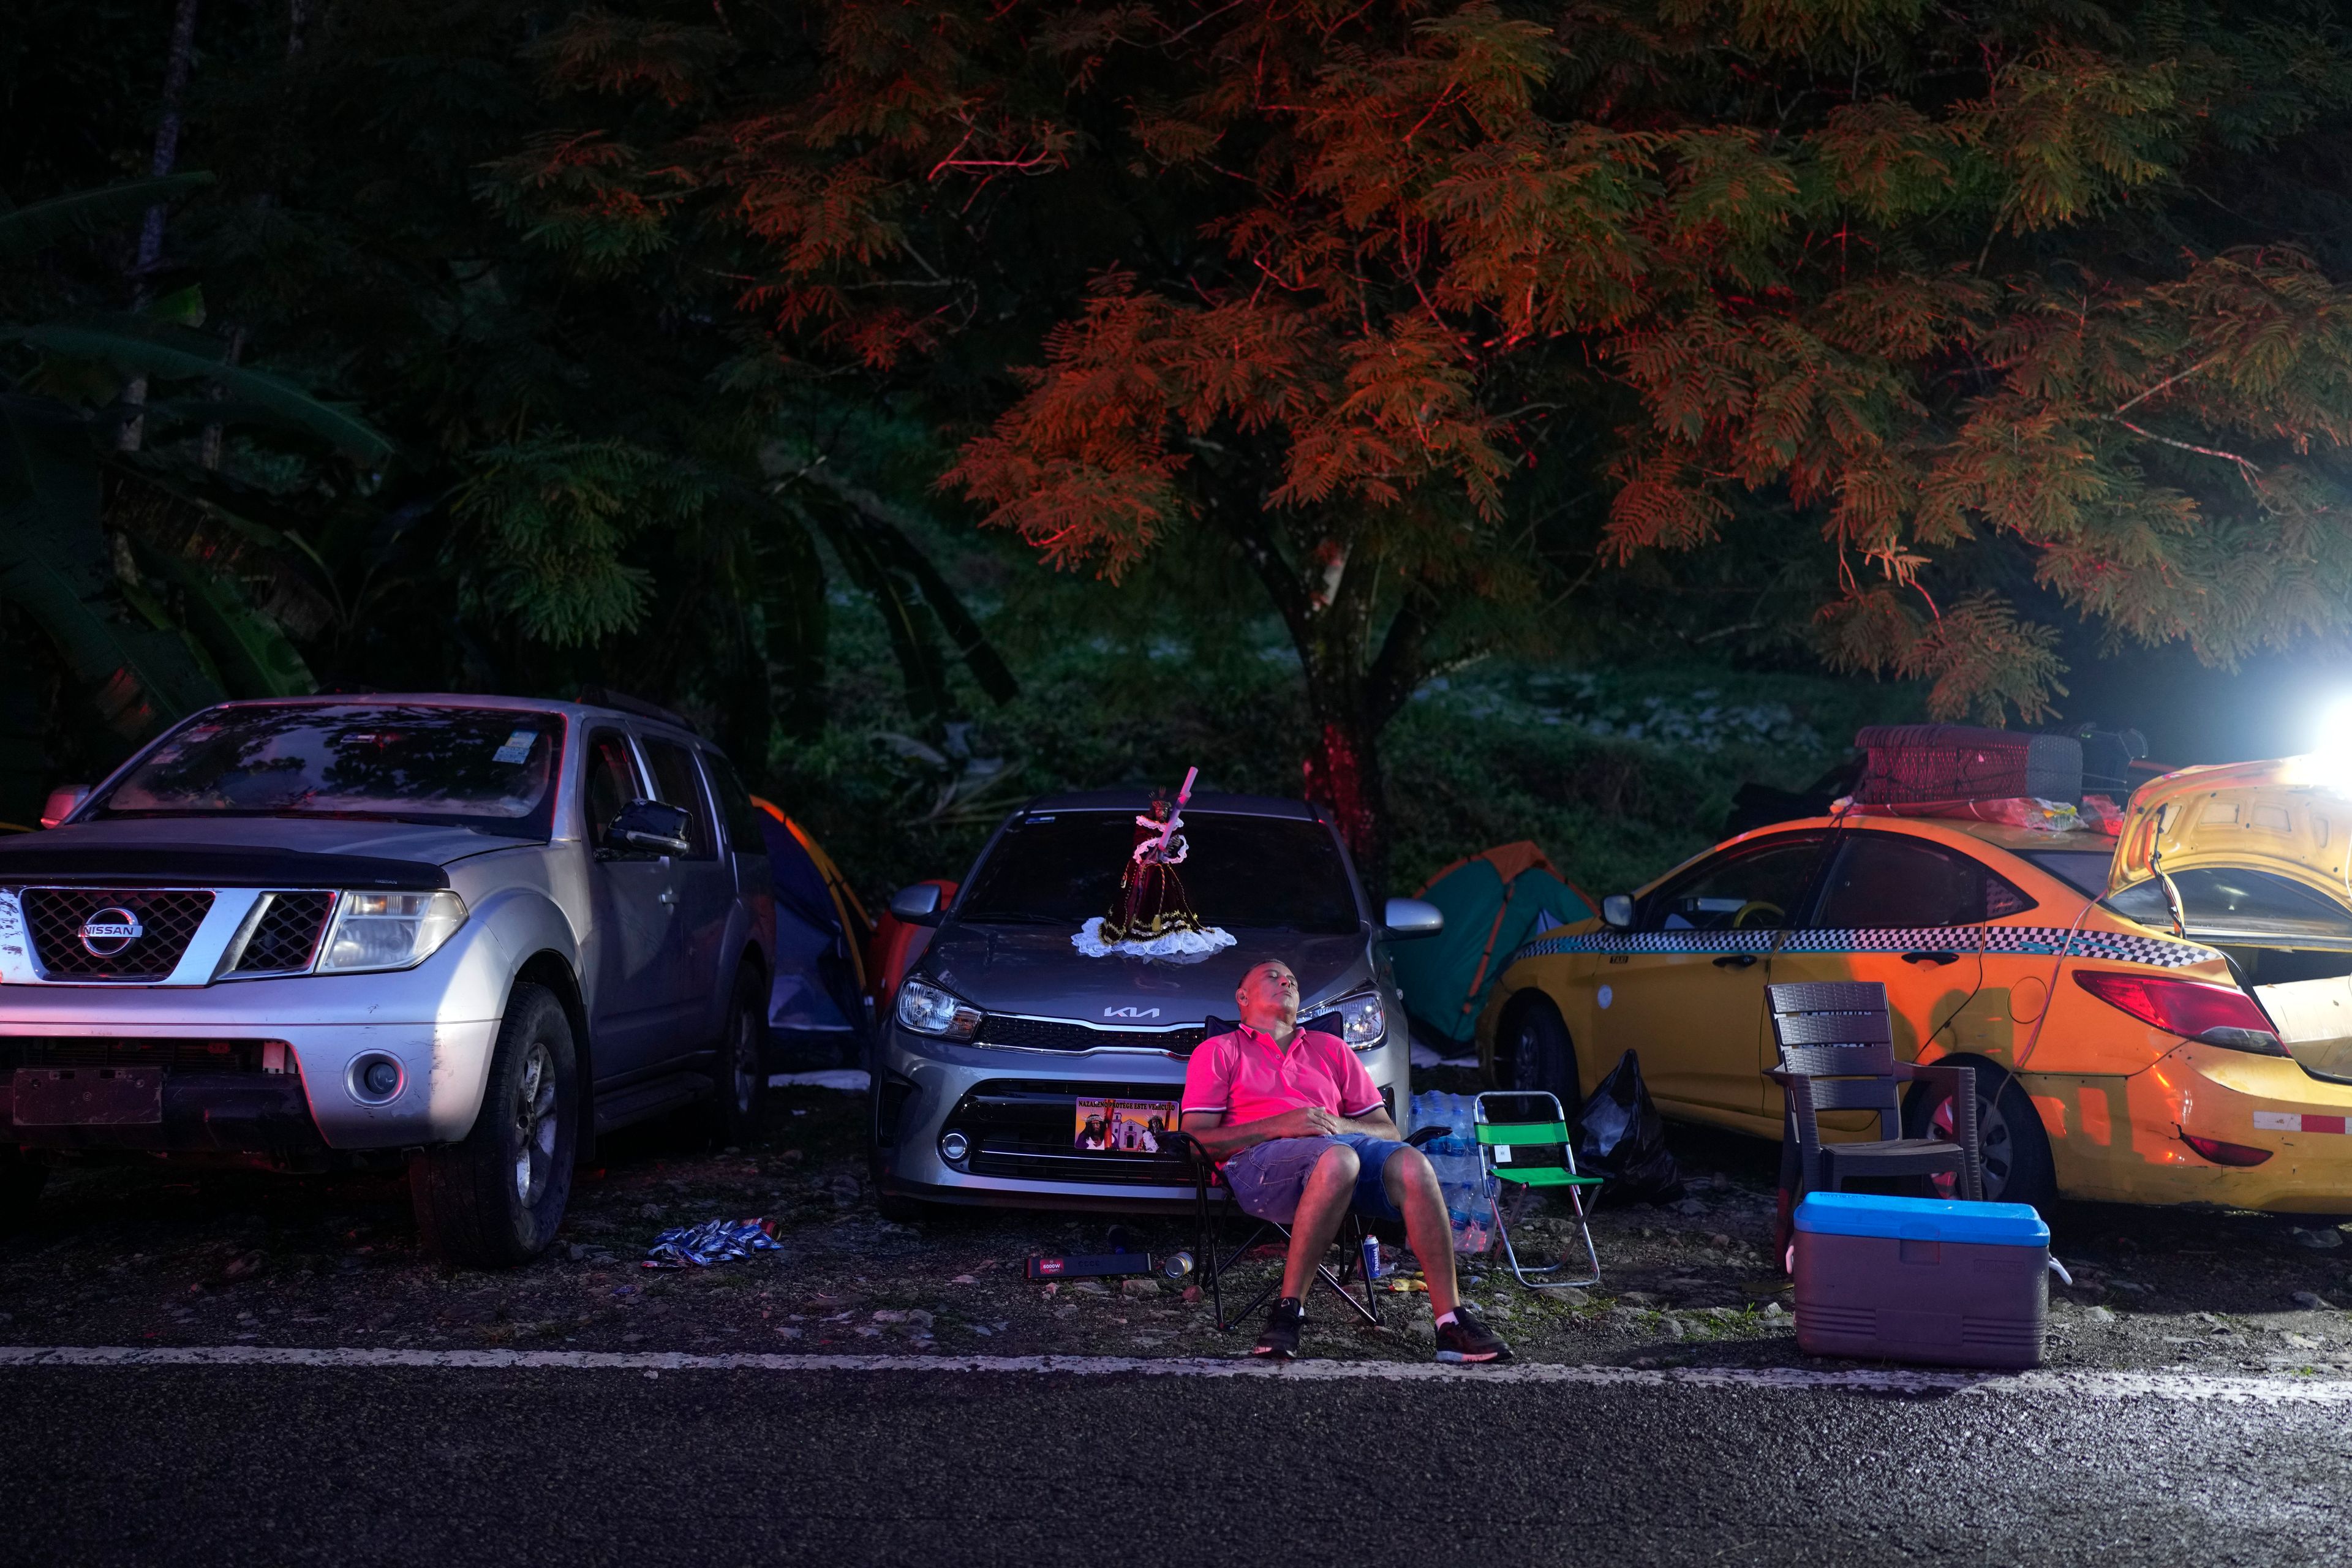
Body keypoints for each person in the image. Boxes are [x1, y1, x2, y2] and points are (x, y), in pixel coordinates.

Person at [1180, 959, 1510, 1362]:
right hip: (1257, 1166)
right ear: (1242, 997)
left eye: (1293, 980)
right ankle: (1288, 1312)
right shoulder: (1219, 1050)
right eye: (1272, 976)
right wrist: (1282, 1125)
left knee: (1412, 1163)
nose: (1286, 980)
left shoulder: (1331, 1048)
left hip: (1341, 1155)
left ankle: (1450, 1322)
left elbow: (1387, 1130)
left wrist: (1335, 1122)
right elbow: (1196, 1139)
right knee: (1339, 1160)